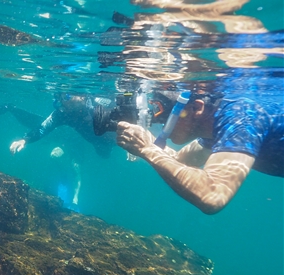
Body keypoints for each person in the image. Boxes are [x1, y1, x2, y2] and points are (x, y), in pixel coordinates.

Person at [116, 90, 283, 214]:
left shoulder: (242, 116)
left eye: (163, 114)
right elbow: (181, 162)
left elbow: (213, 195)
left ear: (196, 107)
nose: (158, 122)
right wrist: (148, 143)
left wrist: (147, 149)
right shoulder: (216, 124)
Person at [9, 93, 115, 159]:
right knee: (104, 155)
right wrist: (25, 140)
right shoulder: (63, 114)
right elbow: (43, 128)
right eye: (60, 97)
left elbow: (125, 115)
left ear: (83, 96)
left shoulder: (99, 102)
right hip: (98, 143)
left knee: (106, 151)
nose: (64, 102)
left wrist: (131, 138)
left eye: (67, 96)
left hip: (118, 138)